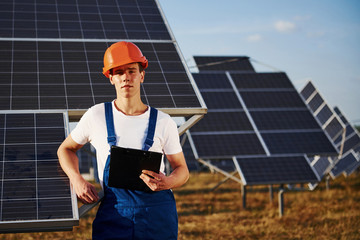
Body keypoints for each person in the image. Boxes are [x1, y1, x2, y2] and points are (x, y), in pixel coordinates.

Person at [57, 41, 189, 239]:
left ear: (141, 75)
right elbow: (65, 149)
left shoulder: (164, 121)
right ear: (111, 78)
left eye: (131, 71)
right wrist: (76, 179)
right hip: (114, 216)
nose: (126, 78)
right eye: (118, 72)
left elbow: (182, 170)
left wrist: (167, 182)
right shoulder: (96, 115)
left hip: (157, 218)